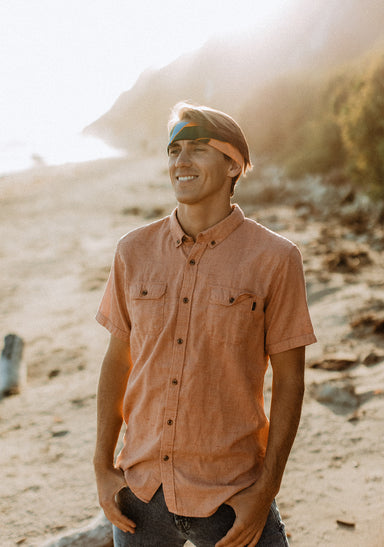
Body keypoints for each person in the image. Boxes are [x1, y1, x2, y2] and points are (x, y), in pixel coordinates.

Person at [94, 102, 317, 547]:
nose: (181, 161)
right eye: (174, 150)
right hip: (141, 493)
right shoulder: (132, 251)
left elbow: (290, 382)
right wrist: (102, 468)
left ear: (233, 164)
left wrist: (265, 490)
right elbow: (118, 361)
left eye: (197, 148)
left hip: (233, 494)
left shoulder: (276, 259)